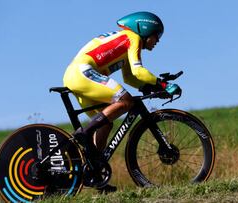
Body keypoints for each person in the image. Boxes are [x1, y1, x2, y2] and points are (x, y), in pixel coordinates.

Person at [63, 11, 179, 193]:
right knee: (125, 101)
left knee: (105, 125)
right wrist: (162, 83)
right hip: (82, 72)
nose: (158, 40)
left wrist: (150, 88)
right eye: (157, 35)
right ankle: (84, 133)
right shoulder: (132, 37)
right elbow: (140, 71)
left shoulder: (126, 41)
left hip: (78, 75)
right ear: (145, 28)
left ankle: (96, 175)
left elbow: (131, 78)